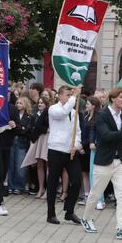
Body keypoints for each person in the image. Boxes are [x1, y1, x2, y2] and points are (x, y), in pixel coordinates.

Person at [82, 87, 122, 239]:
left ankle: (121, 228)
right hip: (104, 161)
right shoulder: (102, 114)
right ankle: (86, 218)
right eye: (121, 97)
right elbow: (106, 136)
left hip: (120, 162)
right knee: (95, 194)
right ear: (113, 99)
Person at [46, 85, 83, 225]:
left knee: (77, 180)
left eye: (70, 95)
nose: (69, 97)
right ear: (60, 96)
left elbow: (78, 132)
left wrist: (77, 145)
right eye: (67, 95)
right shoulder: (54, 109)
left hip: (70, 151)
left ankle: (69, 210)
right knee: (53, 182)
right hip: (56, 149)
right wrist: (74, 96)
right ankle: (51, 213)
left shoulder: (74, 112)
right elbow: (63, 112)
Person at [22, 96, 51, 199]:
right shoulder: (35, 115)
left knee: (48, 165)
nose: (39, 104)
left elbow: (48, 128)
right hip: (38, 140)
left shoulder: (49, 113)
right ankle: (41, 188)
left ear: (46, 104)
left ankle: (48, 190)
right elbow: (32, 128)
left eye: (42, 103)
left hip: (47, 139)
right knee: (39, 164)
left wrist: (41, 128)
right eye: (39, 102)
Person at [8, 96, 32, 194]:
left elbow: (26, 130)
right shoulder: (13, 114)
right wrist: (20, 128)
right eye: (17, 103)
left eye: (20, 103)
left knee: (20, 165)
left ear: (25, 104)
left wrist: (17, 127)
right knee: (10, 165)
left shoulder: (29, 116)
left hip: (22, 142)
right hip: (12, 141)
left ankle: (19, 186)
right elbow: (12, 128)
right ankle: (10, 185)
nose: (18, 105)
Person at [80, 96, 101, 204]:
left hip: (90, 148)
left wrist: (83, 145)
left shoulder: (97, 118)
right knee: (84, 172)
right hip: (83, 148)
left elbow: (92, 135)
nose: (86, 105)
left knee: (93, 172)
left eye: (88, 104)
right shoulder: (85, 116)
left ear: (93, 106)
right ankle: (86, 194)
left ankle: (94, 196)